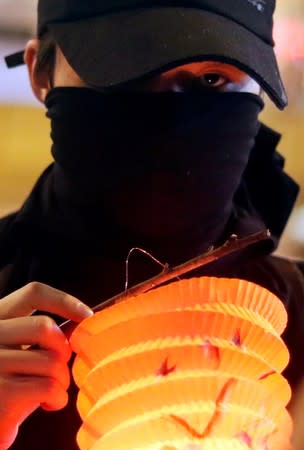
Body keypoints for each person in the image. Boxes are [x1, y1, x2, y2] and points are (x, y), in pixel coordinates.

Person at [1, 0, 304, 448]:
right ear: (39, 75)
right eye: (120, 73)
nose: (167, 112)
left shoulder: (296, 317)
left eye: (211, 79)